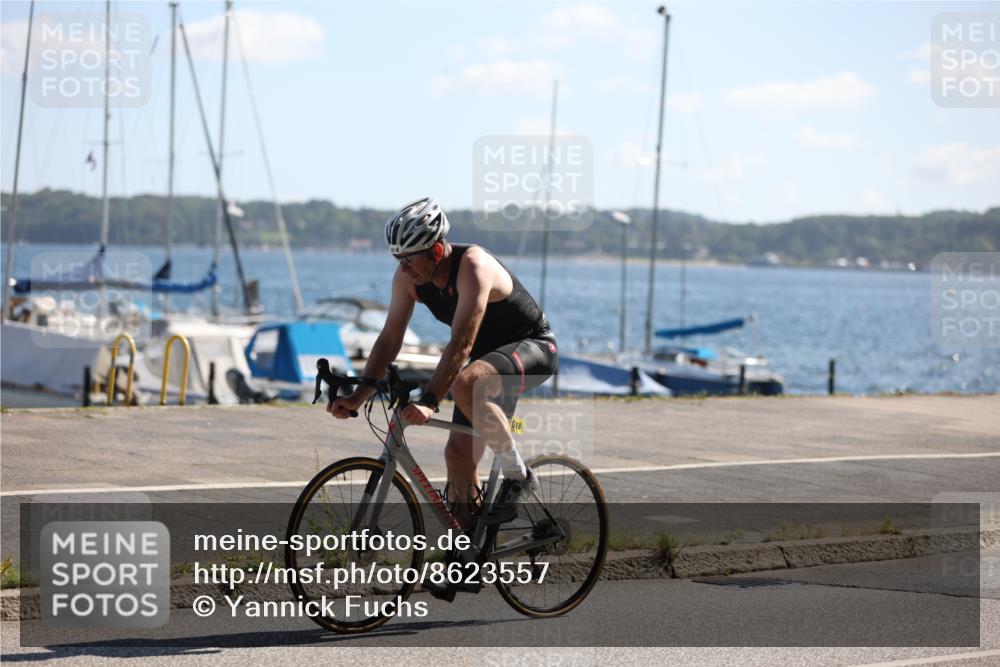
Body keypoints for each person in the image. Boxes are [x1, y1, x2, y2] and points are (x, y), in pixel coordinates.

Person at [328, 196, 558, 531]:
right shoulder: (408, 279)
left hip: (533, 349)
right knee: (457, 456)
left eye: (409, 260)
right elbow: (389, 340)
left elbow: (461, 344)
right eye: (397, 259)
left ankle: (519, 477)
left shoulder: (473, 267)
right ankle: (467, 555)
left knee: (467, 383)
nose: (403, 269)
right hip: (488, 361)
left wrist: (429, 401)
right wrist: (357, 397)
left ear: (436, 252)